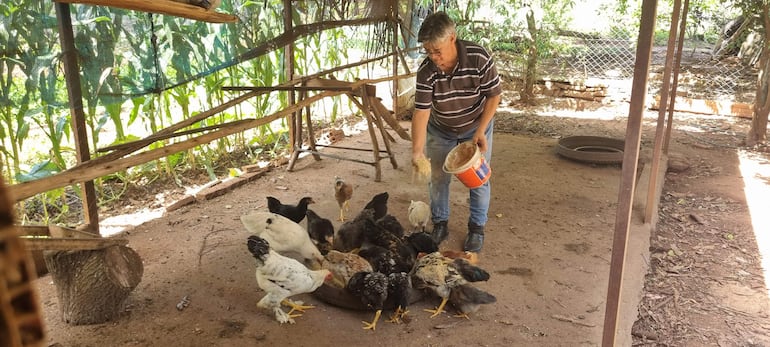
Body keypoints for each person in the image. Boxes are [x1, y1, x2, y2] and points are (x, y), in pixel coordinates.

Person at [411, 11, 502, 253]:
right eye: (428, 51)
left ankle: (476, 228)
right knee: (438, 177)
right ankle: (440, 224)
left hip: (476, 125)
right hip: (441, 130)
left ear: (452, 37)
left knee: (478, 178)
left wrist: (481, 131)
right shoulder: (427, 72)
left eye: (437, 50)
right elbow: (421, 113)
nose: (433, 57)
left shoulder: (478, 58)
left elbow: (494, 96)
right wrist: (417, 152)